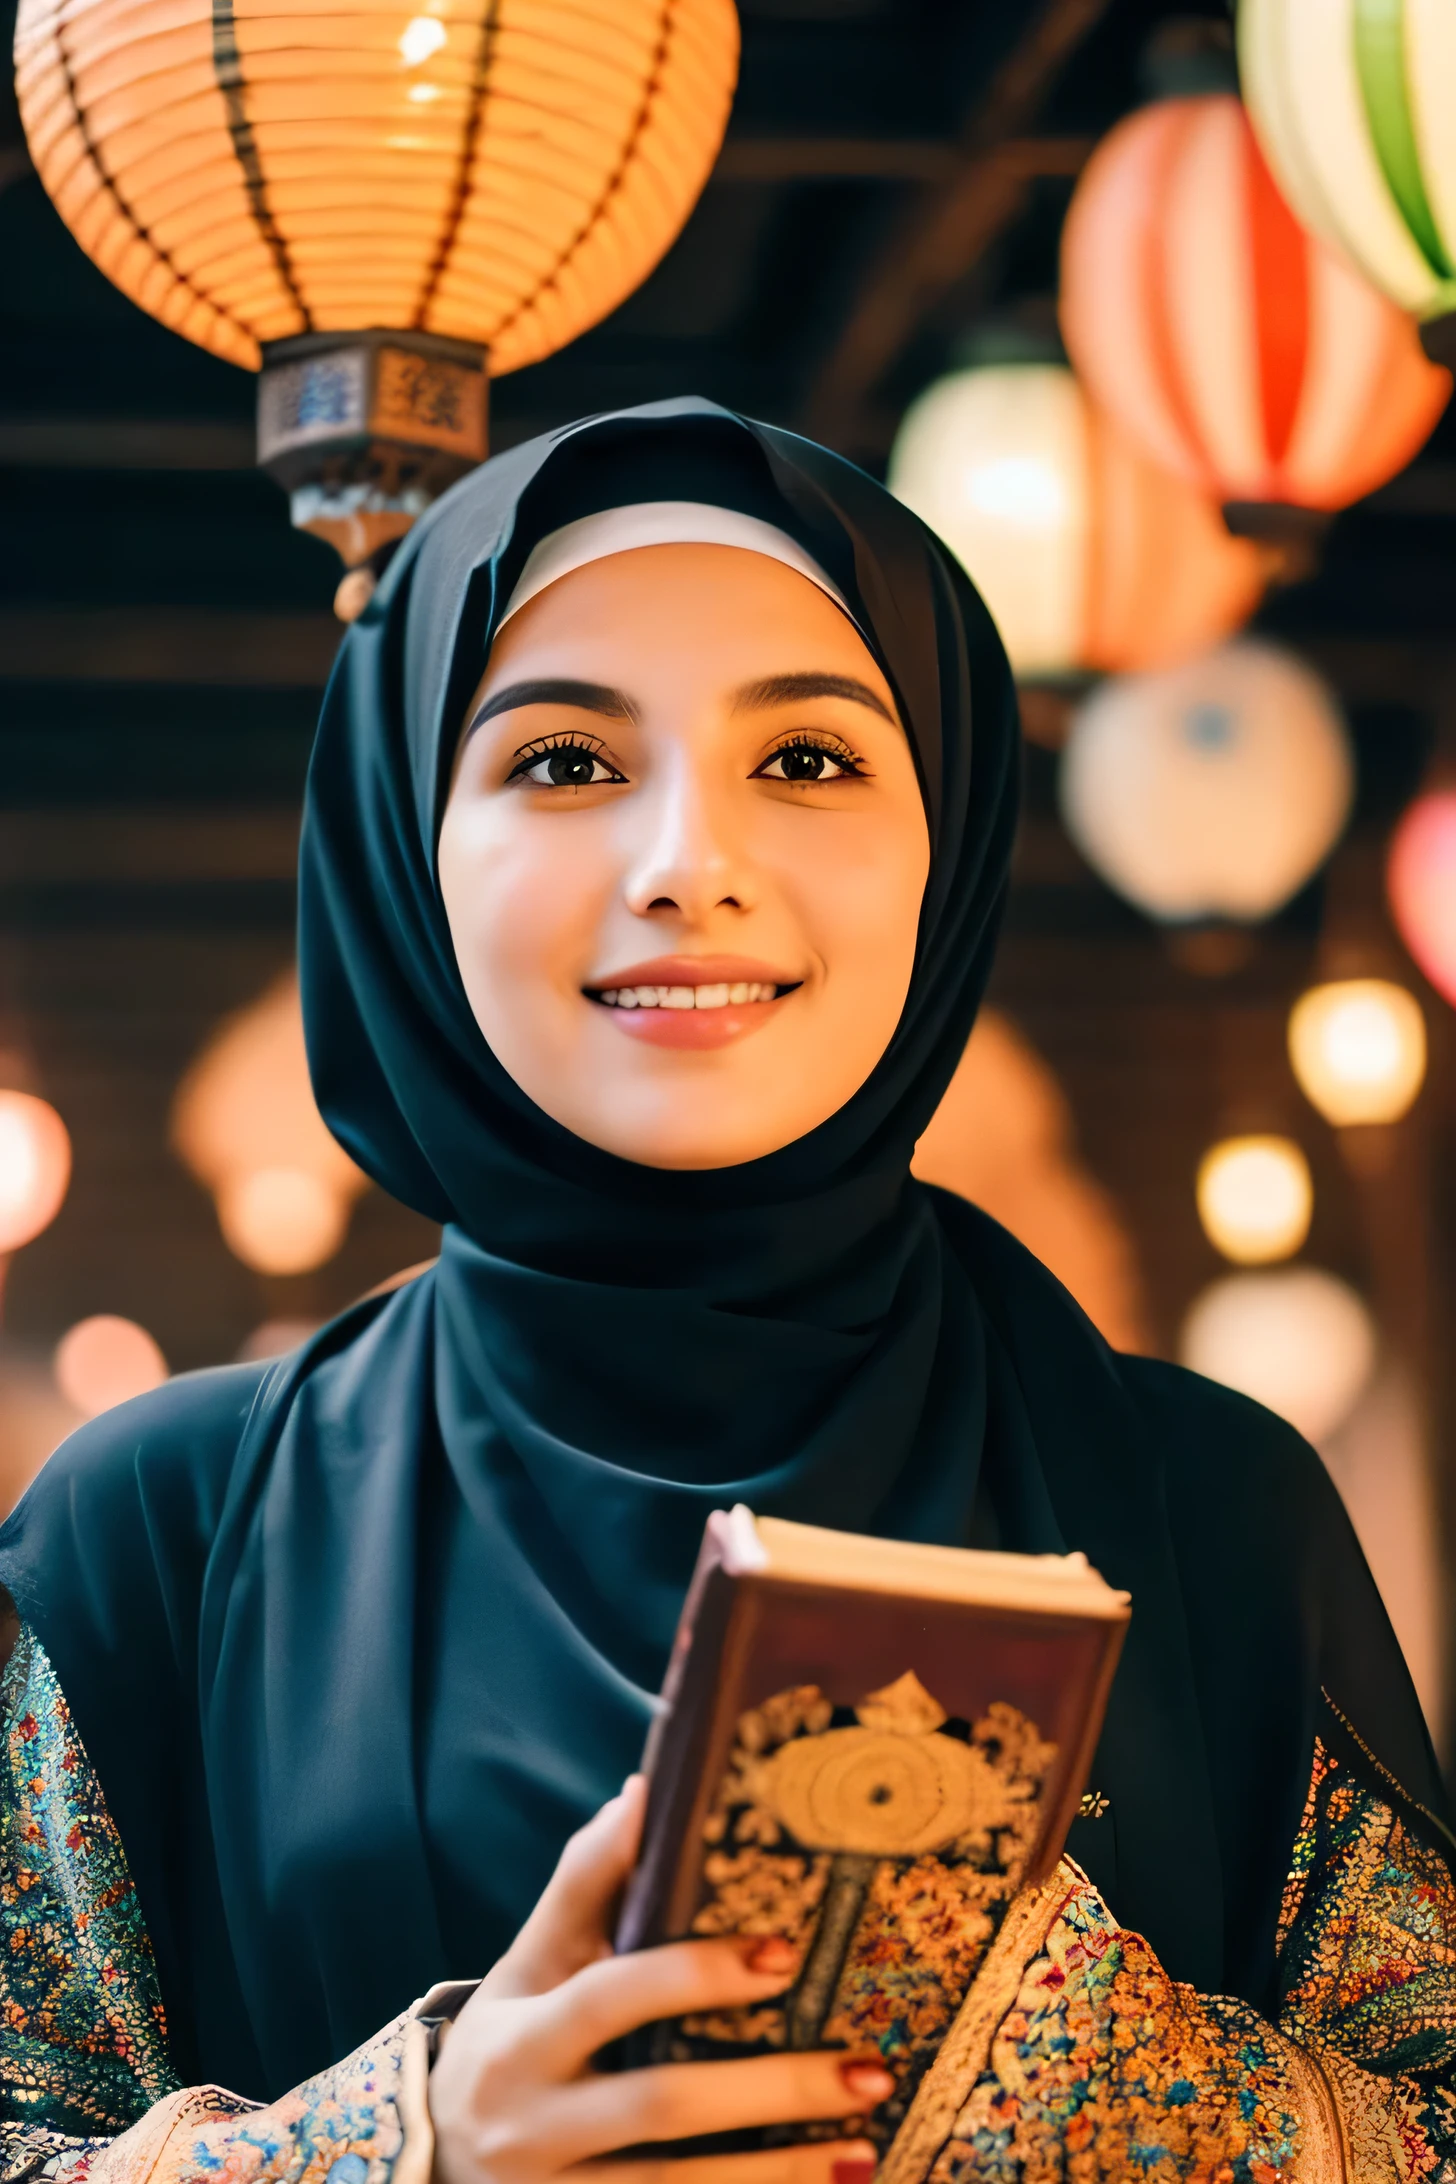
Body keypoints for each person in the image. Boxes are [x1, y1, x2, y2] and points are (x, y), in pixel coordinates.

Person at [2, 399, 1453, 2184]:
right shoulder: (172, 1523)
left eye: (814, 762)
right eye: (561, 762)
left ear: (948, 844)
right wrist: (410, 2148)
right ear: (405, 851)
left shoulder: (1209, 1505)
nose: (691, 860)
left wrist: (1084, 2073)